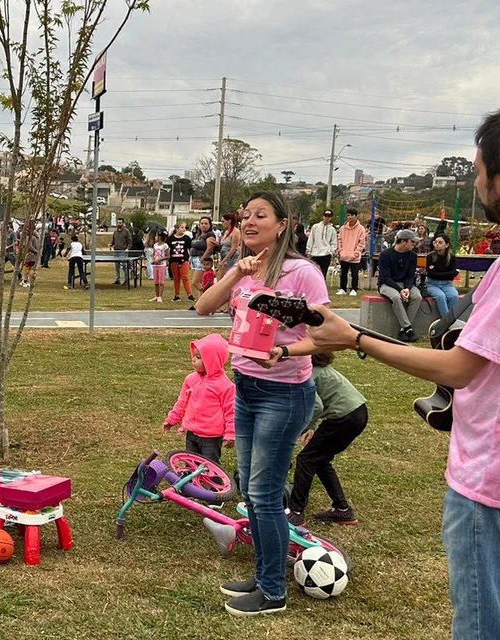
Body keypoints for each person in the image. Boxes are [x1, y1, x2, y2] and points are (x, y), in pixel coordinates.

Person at [308, 100, 500, 640]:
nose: (476, 183)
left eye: (479, 171)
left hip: (498, 483)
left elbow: (459, 369)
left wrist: (355, 338)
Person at [194, 190, 329, 616]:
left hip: (283, 394)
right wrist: (237, 270)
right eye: (245, 216)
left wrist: (284, 352)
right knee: (253, 493)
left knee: (265, 494)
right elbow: (202, 307)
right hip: (246, 388)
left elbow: (325, 337)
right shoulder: (245, 271)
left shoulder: (302, 273)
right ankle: (263, 574)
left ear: (283, 224)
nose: (249, 222)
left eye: (261, 215)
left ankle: (272, 592)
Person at [286, 352, 367, 528]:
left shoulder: (306, 373)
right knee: (320, 460)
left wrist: (302, 429)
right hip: (357, 413)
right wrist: (312, 428)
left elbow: (316, 406)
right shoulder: (319, 369)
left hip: (344, 417)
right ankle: (342, 509)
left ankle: (296, 512)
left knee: (306, 459)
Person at [161, 334, 234, 467]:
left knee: (210, 466)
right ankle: (191, 480)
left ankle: (215, 481)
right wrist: (172, 419)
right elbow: (182, 401)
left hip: (211, 437)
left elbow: (231, 412)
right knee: (190, 463)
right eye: (194, 355)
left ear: (212, 360)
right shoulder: (191, 379)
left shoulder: (225, 386)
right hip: (192, 432)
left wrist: (230, 433)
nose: (193, 359)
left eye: (199, 357)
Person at [378, 229, 424, 342]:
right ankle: (408, 328)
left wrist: (407, 288)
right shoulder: (385, 255)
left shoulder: (413, 256)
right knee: (396, 297)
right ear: (403, 241)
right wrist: (400, 290)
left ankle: (403, 330)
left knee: (417, 297)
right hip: (387, 284)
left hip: (405, 284)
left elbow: (410, 276)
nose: (414, 244)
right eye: (412, 241)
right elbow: (385, 277)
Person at [424, 234, 461, 317]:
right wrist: (449, 274)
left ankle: (449, 318)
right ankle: (447, 321)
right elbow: (431, 274)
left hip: (447, 284)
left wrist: (439, 274)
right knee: (441, 297)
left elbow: (452, 275)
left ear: (446, 245)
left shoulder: (452, 258)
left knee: (454, 296)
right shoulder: (430, 257)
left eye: (440, 242)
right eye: (435, 242)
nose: (437, 244)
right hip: (432, 284)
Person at [336, 209, 366, 295]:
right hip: (344, 255)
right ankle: (343, 288)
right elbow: (339, 240)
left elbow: (362, 243)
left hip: (354, 256)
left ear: (356, 216)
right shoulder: (342, 228)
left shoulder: (361, 229)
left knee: (354, 274)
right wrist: (340, 251)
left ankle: (354, 289)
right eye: (348, 215)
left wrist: (356, 253)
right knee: (343, 273)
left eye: (352, 215)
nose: (350, 217)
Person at [307, 210, 338, 281]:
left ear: (331, 218)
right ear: (323, 216)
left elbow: (334, 242)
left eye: (329, 216)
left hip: (326, 254)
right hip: (315, 253)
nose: (327, 218)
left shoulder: (332, 229)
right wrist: (309, 250)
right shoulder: (315, 227)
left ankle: (321, 286)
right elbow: (311, 239)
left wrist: (331, 252)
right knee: (314, 273)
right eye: (325, 216)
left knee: (323, 274)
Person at [189, 217, 216, 294]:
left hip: (203, 260)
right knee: (202, 282)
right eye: (202, 223)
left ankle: (207, 296)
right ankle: (201, 298)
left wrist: (202, 260)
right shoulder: (199, 235)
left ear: (210, 225)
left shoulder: (210, 235)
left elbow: (209, 249)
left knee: (195, 282)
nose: (203, 225)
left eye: (206, 223)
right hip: (196, 259)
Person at [168, 222, 194, 302]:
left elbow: (190, 248)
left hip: (184, 260)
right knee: (176, 278)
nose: (184, 229)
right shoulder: (171, 238)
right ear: (177, 228)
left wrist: (190, 258)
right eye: (182, 227)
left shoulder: (186, 238)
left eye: (184, 227)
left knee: (185, 277)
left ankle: (190, 294)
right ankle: (177, 295)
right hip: (173, 260)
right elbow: (168, 249)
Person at [110, 219, 132, 285]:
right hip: (116, 251)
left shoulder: (126, 231)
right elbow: (113, 241)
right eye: (118, 222)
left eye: (120, 223)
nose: (118, 224)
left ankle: (126, 280)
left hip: (123, 252)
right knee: (117, 267)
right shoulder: (115, 232)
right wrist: (111, 245)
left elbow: (130, 242)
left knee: (124, 266)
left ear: (123, 223)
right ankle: (118, 280)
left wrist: (128, 248)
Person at [148, 231, 169, 302]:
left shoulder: (165, 245)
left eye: (157, 236)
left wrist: (160, 259)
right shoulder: (155, 245)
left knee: (161, 282)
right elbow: (154, 254)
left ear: (160, 237)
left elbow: (168, 256)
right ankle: (156, 296)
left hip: (162, 265)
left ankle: (160, 296)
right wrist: (153, 259)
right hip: (155, 265)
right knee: (156, 282)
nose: (155, 237)